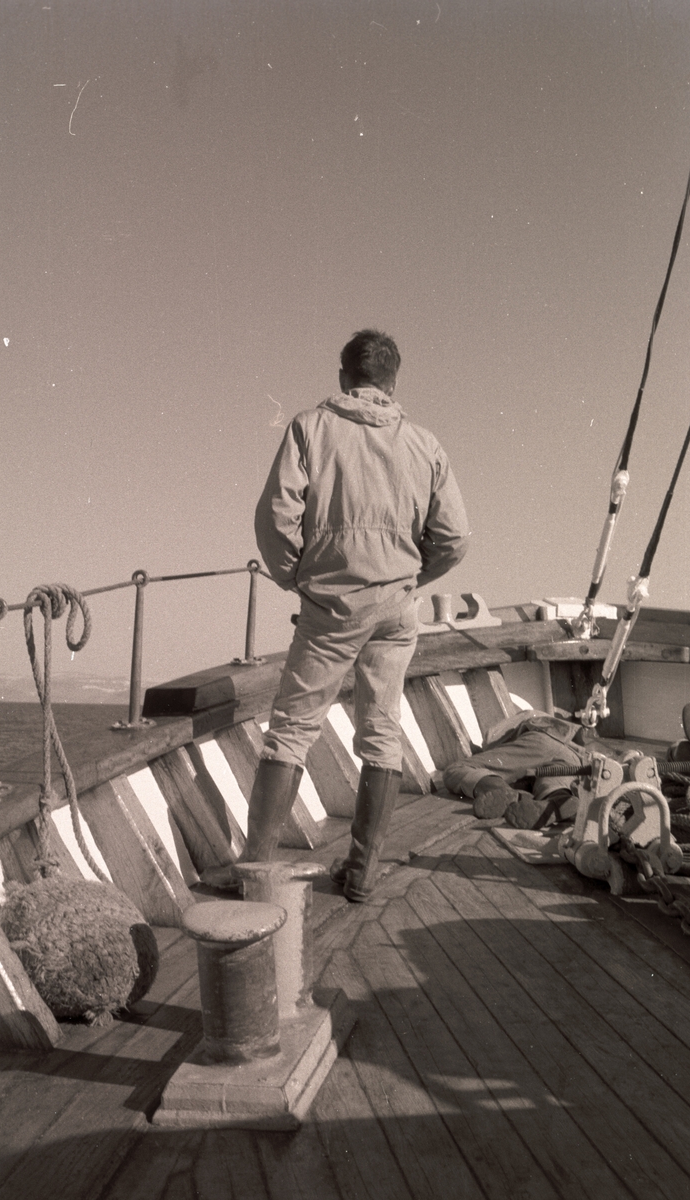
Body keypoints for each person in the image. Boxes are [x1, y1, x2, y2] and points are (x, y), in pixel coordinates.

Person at [240, 329, 470, 900]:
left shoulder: (309, 428)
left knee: (292, 731)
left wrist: (296, 577)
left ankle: (254, 875)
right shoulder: (425, 445)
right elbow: (456, 537)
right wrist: (413, 578)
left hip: (330, 608)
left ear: (344, 376)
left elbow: (274, 520)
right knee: (383, 732)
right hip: (396, 611)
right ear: (392, 384)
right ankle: (363, 873)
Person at [442, 701, 690, 829]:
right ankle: (559, 805)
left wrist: (495, 784)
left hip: (557, 748)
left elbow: (457, 770)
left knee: (457, 769)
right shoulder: (576, 737)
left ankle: (520, 795)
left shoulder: (529, 734)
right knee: (556, 781)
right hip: (595, 763)